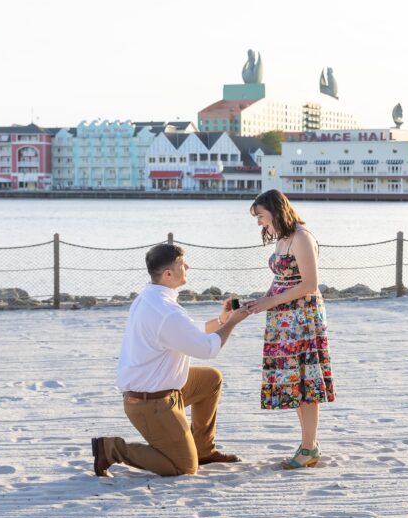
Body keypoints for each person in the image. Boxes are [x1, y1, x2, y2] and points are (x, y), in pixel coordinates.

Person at [91, 243, 249, 478]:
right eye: (182, 264)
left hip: (161, 389)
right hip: (148, 403)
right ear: (168, 274)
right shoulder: (165, 310)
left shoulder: (152, 296)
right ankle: (111, 449)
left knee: (210, 379)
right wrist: (232, 322)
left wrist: (221, 319)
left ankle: (204, 449)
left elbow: (189, 331)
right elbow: (207, 349)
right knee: (183, 467)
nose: (188, 267)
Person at [246, 190, 335, 469]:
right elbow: (283, 280)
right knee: (295, 382)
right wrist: (260, 301)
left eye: (261, 216)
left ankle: (309, 447)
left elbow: (309, 284)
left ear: (275, 210)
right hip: (284, 317)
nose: (259, 222)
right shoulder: (283, 237)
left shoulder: (302, 237)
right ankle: (308, 445)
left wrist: (270, 301)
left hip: (303, 318)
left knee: (306, 382)